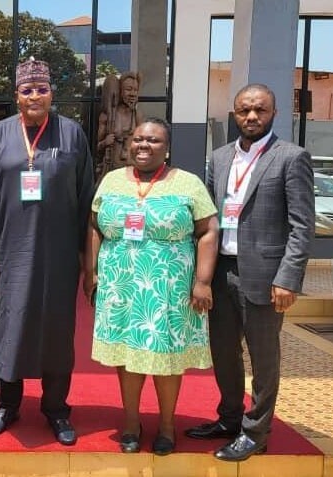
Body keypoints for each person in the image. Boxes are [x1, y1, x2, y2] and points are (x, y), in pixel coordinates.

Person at [185, 84, 315, 461]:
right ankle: (228, 418)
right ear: (234, 113)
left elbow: (301, 226)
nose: (252, 117)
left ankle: (256, 432)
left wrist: (288, 278)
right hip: (223, 271)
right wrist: (201, 276)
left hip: (266, 276)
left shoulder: (291, 157)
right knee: (223, 352)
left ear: (274, 113)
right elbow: (207, 221)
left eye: (260, 110)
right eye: (244, 110)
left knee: (263, 357)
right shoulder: (221, 157)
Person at [0, 57, 95, 445]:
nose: (35, 96)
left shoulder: (72, 135)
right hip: (8, 255)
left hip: (58, 258)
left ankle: (56, 409)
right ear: (17, 96)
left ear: (51, 94)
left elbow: (86, 199)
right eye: (27, 90)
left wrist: (86, 261)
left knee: (57, 332)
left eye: (42, 89)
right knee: (8, 329)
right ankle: (7, 404)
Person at [84, 118, 219, 455]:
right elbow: (94, 226)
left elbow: (208, 230)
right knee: (126, 356)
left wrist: (202, 281)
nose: (144, 145)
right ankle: (131, 423)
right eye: (138, 139)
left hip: (169, 288)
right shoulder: (112, 180)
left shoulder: (188, 184)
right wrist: (91, 271)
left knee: (167, 357)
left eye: (154, 140)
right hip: (121, 285)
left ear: (167, 147)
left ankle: (168, 426)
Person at [95, 72, 143, 179]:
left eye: (135, 90)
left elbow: (143, 143)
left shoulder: (137, 116)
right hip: (112, 168)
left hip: (132, 168)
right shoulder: (107, 116)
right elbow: (97, 148)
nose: (132, 94)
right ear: (120, 91)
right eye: (128, 89)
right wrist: (105, 142)